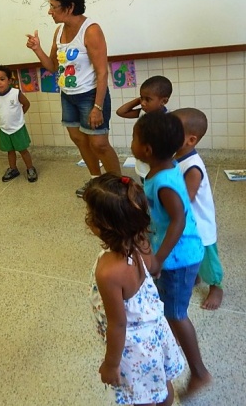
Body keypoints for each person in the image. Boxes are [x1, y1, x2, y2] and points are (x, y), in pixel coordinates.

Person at [85, 173, 184, 406]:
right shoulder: (141, 241)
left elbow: (118, 324)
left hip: (133, 347)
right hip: (154, 331)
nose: (87, 218)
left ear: (105, 224)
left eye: (90, 214)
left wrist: (111, 364)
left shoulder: (108, 272)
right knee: (161, 382)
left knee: (142, 397)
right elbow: (153, 268)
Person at [131, 111, 212, 396]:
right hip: (175, 253)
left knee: (176, 313)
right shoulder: (164, 166)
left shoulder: (164, 182)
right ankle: (171, 344)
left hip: (179, 257)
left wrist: (159, 258)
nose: (131, 143)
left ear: (146, 149)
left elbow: (178, 219)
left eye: (134, 138)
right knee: (167, 307)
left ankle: (199, 372)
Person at [26, 0, 120, 196]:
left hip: (90, 96)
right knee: (80, 140)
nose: (49, 11)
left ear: (69, 7)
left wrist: (97, 106)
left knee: (99, 144)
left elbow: (102, 72)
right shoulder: (59, 31)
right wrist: (37, 49)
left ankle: (120, 186)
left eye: (53, 6)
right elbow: (53, 67)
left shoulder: (91, 30)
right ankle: (95, 180)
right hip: (68, 95)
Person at [173, 107, 224, 310]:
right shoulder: (176, 156)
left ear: (191, 140)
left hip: (200, 223)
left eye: (172, 132)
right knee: (186, 249)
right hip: (186, 221)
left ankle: (216, 285)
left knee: (207, 257)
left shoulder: (192, 167)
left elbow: (187, 198)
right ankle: (193, 274)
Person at [116, 75, 173, 180]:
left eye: (148, 99)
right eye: (141, 98)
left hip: (158, 169)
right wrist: (140, 99)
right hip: (142, 167)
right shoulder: (143, 112)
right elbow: (121, 112)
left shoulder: (168, 120)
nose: (143, 103)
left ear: (164, 101)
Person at [0, 65, 38, 182]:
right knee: (10, 151)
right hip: (3, 129)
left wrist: (19, 116)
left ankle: (30, 168)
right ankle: (13, 169)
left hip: (18, 128)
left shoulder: (16, 93)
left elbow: (26, 104)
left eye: (2, 79)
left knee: (23, 150)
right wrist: (3, 118)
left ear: (9, 80)